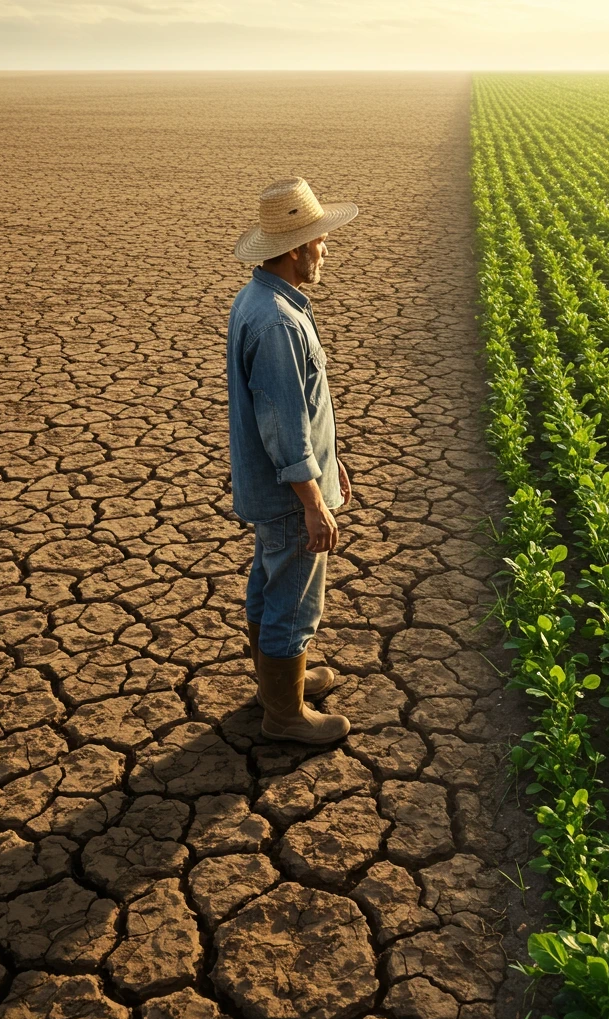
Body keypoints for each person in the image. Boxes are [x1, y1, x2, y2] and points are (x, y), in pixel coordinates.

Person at [227, 176, 358, 745]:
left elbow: (302, 413)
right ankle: (284, 714)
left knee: (267, 581)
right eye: (319, 240)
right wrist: (313, 502)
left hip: (279, 486)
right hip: (287, 495)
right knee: (292, 599)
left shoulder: (262, 299)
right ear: (297, 249)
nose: (325, 249)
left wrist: (333, 467)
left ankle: (278, 683)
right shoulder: (278, 321)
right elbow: (283, 426)